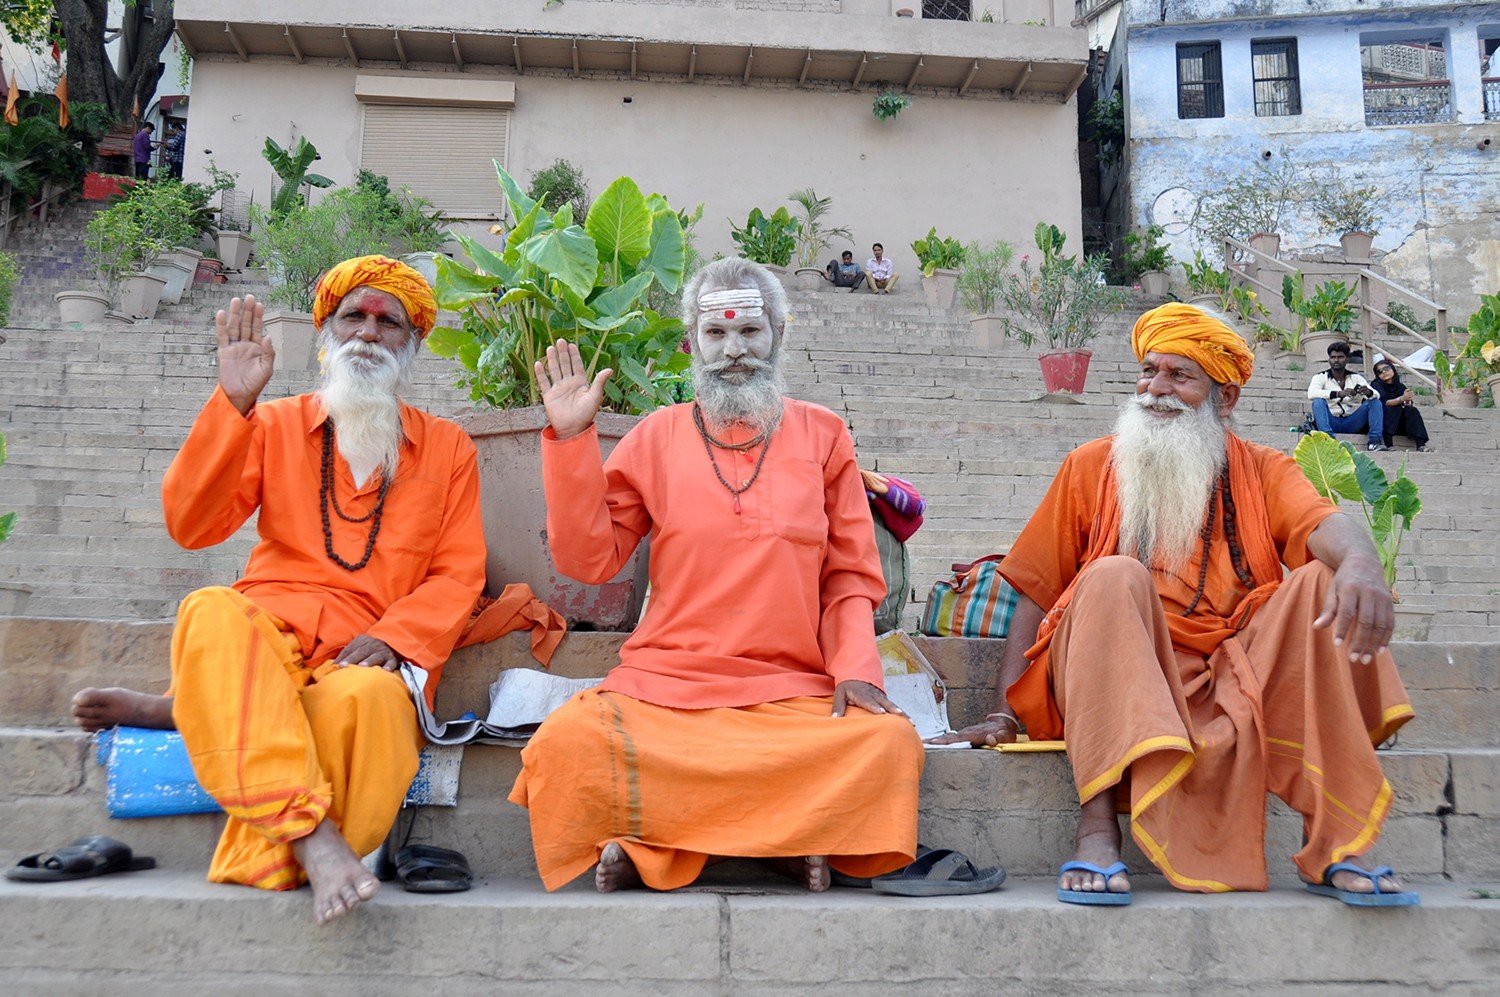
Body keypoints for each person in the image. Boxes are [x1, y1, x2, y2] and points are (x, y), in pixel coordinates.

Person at [70, 257, 560, 925]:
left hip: (362, 652)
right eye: (353, 316)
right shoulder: (271, 424)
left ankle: (203, 714)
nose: (367, 332)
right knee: (209, 610)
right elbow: (191, 525)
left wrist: (394, 636)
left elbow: (458, 571)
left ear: (410, 345)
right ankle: (311, 837)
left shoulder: (447, 448)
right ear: (329, 331)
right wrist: (233, 404)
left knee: (369, 705)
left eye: (388, 322)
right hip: (270, 631)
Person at [934, 303, 1416, 907]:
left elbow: (1322, 524)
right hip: (1118, 665)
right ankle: (1096, 827)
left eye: (1180, 377)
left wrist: (1364, 562)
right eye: (1148, 372)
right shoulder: (1090, 466)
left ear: (1226, 397)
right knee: (1111, 576)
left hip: (1236, 669)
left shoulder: (1266, 469)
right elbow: (1033, 591)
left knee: (1323, 580)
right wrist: (1005, 711)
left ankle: (1337, 843)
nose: (1156, 390)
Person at [510, 257, 924, 893]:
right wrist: (571, 441)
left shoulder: (824, 435)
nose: (734, 351)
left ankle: (655, 839)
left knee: (887, 743)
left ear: (780, 335)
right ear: (691, 345)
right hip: (666, 689)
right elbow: (588, 562)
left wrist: (857, 673)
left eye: (750, 332)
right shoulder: (656, 436)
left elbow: (848, 576)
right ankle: (791, 839)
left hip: (792, 692)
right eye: (716, 334)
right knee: (570, 742)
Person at [1307, 340, 1386, 451]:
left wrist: (1367, 392)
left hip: (1352, 421)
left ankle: (1374, 442)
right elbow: (1312, 393)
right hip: (1331, 421)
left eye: (1340, 357)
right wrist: (1338, 393)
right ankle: (1329, 441)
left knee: (1375, 401)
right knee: (1318, 402)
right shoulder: (1320, 376)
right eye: (1333, 357)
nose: (1336, 360)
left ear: (1347, 359)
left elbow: (1376, 395)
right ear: (1329, 359)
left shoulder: (1356, 377)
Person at [1371, 358, 1433, 452]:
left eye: (1386, 368)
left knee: (1412, 410)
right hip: (1384, 423)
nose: (1384, 372)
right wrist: (1401, 399)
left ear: (1392, 368)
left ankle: (1421, 445)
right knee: (1390, 409)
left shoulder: (1400, 386)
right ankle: (1389, 444)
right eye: (1379, 371)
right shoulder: (1376, 385)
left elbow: (1406, 404)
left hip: (1400, 424)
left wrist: (1407, 401)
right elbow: (1384, 402)